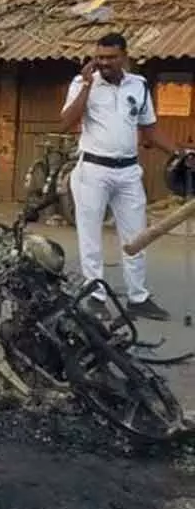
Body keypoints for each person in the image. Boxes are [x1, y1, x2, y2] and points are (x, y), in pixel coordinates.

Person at [60, 32, 186, 320]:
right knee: (90, 236)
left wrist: (178, 153)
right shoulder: (82, 84)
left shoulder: (138, 86)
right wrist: (87, 87)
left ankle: (138, 296)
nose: (103, 63)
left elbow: (150, 130)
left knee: (136, 235)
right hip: (92, 170)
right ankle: (95, 294)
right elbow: (66, 122)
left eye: (110, 58)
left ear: (124, 57)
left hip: (128, 171)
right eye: (99, 57)